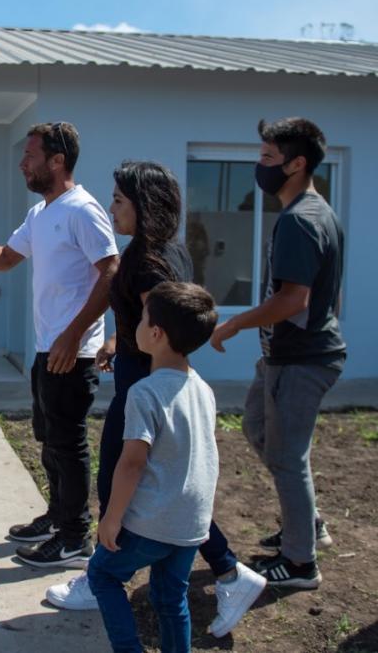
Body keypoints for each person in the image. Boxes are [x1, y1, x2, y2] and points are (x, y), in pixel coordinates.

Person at [45, 162, 265, 639]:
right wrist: (114, 342)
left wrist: (139, 371)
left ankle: (101, 573)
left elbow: (155, 322)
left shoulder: (145, 262)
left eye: (120, 201)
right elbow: (152, 323)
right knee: (172, 488)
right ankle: (228, 570)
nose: (111, 208)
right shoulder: (170, 250)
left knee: (120, 474)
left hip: (146, 383)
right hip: (151, 372)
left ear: (143, 208)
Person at [0, 122, 118, 567]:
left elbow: (112, 273)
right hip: (47, 348)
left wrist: (75, 333)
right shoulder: (42, 213)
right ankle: (59, 516)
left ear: (57, 161)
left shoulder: (82, 209)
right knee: (48, 437)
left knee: (68, 441)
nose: (23, 163)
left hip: (71, 352)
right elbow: (4, 259)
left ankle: (76, 537)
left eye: (31, 155)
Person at [211, 117, 344, 589]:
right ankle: (306, 522)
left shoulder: (300, 221)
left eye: (268, 158)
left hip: (300, 361)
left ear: (297, 163)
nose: (259, 166)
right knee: (257, 427)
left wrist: (232, 323)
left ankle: (301, 562)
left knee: (287, 457)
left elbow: (293, 300)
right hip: (285, 357)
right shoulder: (315, 212)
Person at [87, 282, 219, 653]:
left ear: (156, 333)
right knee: (170, 597)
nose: (137, 324)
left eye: (142, 318)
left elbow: (131, 463)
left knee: (103, 575)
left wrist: (112, 518)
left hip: (150, 523)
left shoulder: (144, 392)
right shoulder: (203, 389)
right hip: (191, 523)